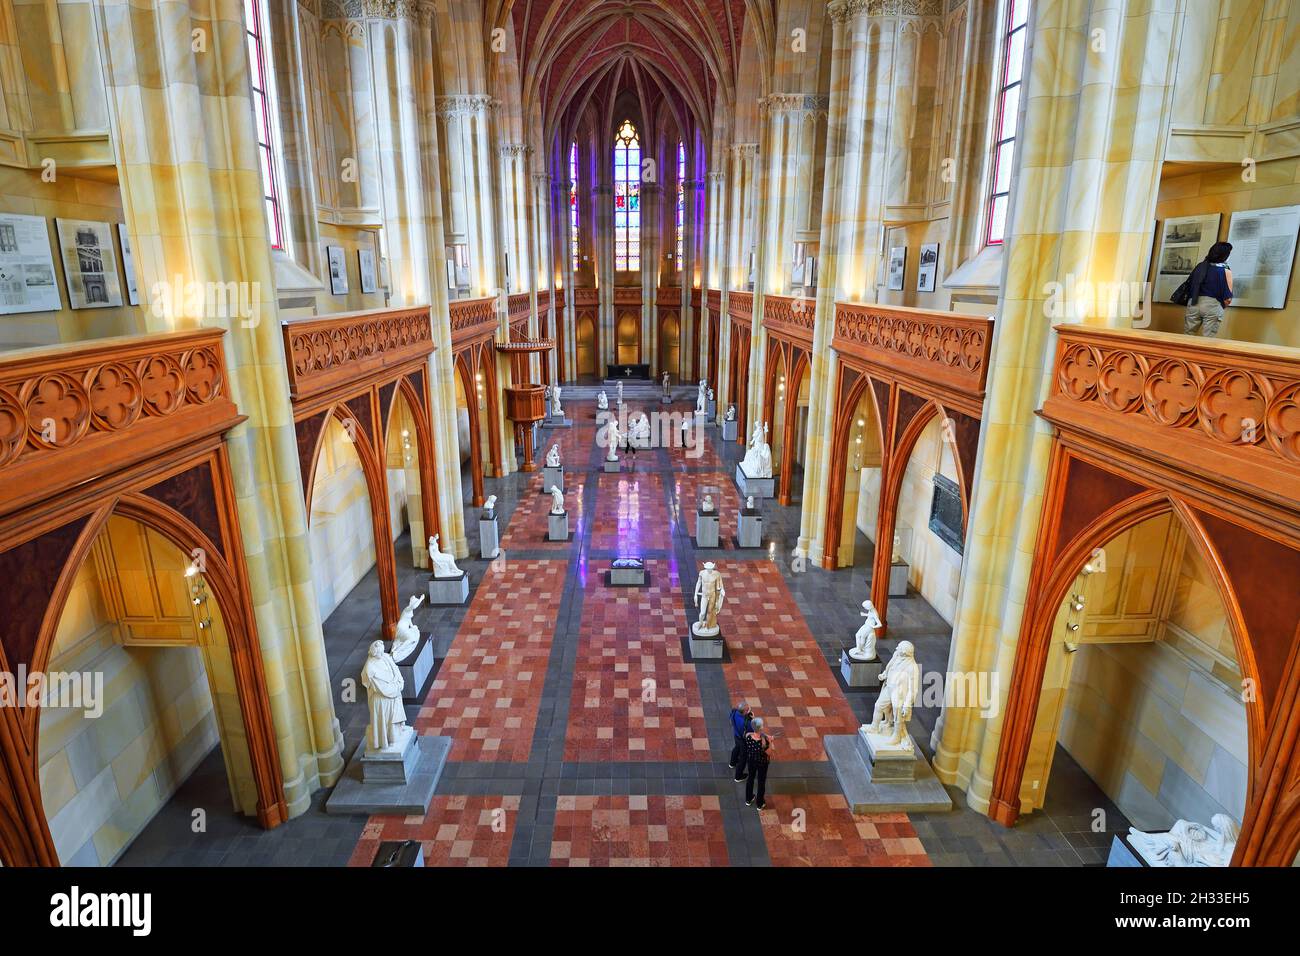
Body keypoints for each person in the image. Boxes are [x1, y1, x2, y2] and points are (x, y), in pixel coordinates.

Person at [1183, 241, 1233, 338]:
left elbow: (1189, 286)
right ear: (1225, 255)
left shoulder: (1199, 267)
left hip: (1193, 302)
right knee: (1208, 340)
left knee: (1187, 337)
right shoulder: (1225, 271)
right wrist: (1220, 307)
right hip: (1213, 305)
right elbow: (1228, 298)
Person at [743, 717, 773, 809]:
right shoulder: (764, 743)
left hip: (751, 761)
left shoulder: (748, 736)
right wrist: (771, 741)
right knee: (761, 782)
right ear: (760, 728)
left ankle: (748, 799)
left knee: (750, 778)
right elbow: (769, 753)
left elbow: (752, 734)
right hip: (762, 763)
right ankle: (759, 804)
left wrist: (764, 736)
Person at [729, 700, 753, 779]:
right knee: (743, 758)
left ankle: (732, 763)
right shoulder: (747, 723)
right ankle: (738, 777)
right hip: (743, 740)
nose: (749, 709)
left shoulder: (735, 712)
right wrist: (753, 719)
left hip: (736, 735)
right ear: (745, 712)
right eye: (748, 709)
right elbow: (753, 731)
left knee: (736, 748)